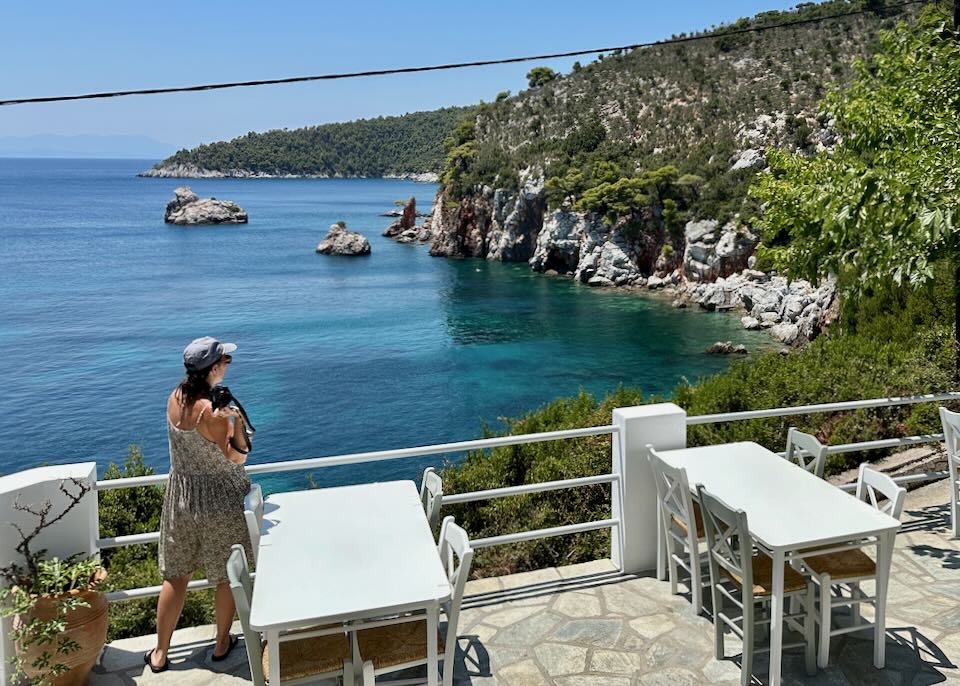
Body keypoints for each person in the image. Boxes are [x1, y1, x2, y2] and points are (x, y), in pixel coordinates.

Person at [145, 336, 254, 672]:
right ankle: (222, 643)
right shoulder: (214, 413)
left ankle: (161, 651)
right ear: (213, 368)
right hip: (219, 497)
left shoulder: (174, 398)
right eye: (225, 361)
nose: (227, 365)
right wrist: (233, 421)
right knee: (225, 576)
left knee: (176, 575)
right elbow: (235, 458)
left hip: (181, 495)